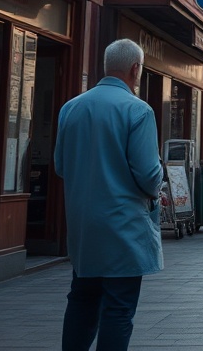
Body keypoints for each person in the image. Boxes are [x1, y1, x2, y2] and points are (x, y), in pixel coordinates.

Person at [54, 38, 163, 351]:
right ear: (135, 69)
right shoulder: (138, 110)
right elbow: (148, 175)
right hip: (123, 227)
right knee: (118, 308)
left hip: (83, 227)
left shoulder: (70, 108)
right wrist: (159, 186)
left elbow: (61, 165)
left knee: (82, 300)